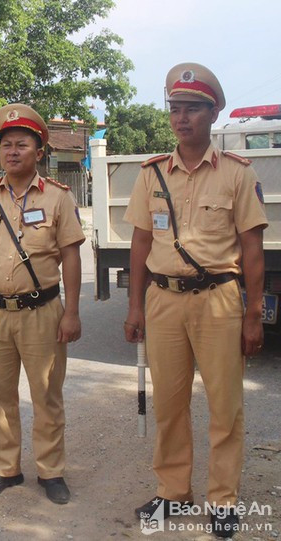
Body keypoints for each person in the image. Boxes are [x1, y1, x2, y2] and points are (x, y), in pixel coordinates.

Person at [124, 63, 267, 538]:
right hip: (164, 299)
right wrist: (135, 306)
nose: (181, 119)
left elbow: (251, 249)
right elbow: (140, 244)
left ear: (213, 113)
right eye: (175, 110)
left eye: (192, 110)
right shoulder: (151, 175)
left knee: (225, 406)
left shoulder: (236, 174)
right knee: (168, 404)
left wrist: (252, 315)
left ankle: (223, 500)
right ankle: (173, 493)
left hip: (219, 301)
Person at [0, 104, 85, 505]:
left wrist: (72, 311)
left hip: (43, 313)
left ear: (39, 152)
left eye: (21, 144)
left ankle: (51, 472)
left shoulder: (58, 198)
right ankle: (5, 469)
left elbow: (71, 255)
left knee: (47, 395)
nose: (12, 152)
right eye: (6, 145)